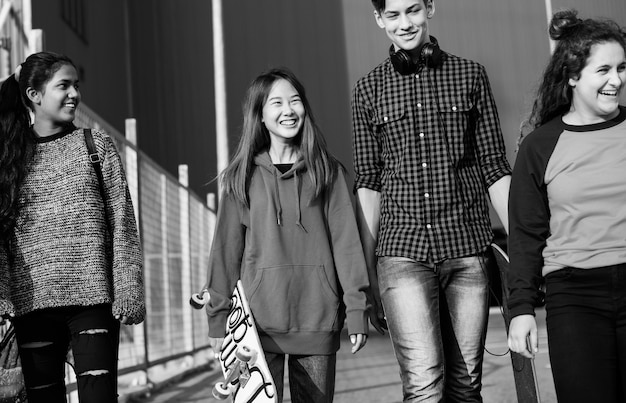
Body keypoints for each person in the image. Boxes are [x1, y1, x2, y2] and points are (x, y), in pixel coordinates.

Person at [351, 0, 512, 401]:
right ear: (378, 19)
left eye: (413, 10)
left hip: (466, 248)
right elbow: (368, 183)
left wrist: (524, 249)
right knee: (424, 386)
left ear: (430, 8)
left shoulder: (471, 75)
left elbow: (494, 166)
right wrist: (367, 276)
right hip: (401, 252)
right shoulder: (367, 90)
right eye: (393, 14)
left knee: (465, 385)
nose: (405, 23)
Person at [205, 67, 370, 403]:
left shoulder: (328, 171)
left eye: (295, 101)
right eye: (277, 103)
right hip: (256, 330)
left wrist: (357, 310)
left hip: (317, 320)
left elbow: (347, 246)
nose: (288, 110)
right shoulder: (242, 177)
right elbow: (225, 253)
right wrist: (218, 319)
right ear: (261, 116)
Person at [0, 51, 145, 402]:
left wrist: (129, 288)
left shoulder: (96, 146)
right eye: (63, 85)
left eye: (76, 86)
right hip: (31, 304)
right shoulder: (9, 157)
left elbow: (122, 221)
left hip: (92, 301)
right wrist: (3, 296)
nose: (74, 94)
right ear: (34, 95)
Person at [507, 9, 626, 403]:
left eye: (622, 68)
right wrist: (521, 308)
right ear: (573, 76)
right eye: (604, 70)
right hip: (574, 299)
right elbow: (526, 235)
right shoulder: (540, 145)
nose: (617, 80)